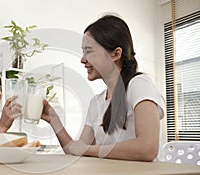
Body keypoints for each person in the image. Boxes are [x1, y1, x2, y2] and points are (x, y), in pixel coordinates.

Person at [41, 14, 164, 161]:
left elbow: (147, 148)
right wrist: (54, 120)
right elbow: (75, 150)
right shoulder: (96, 103)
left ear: (116, 54)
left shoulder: (139, 85)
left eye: (89, 51)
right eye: (83, 52)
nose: (82, 59)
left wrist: (88, 149)